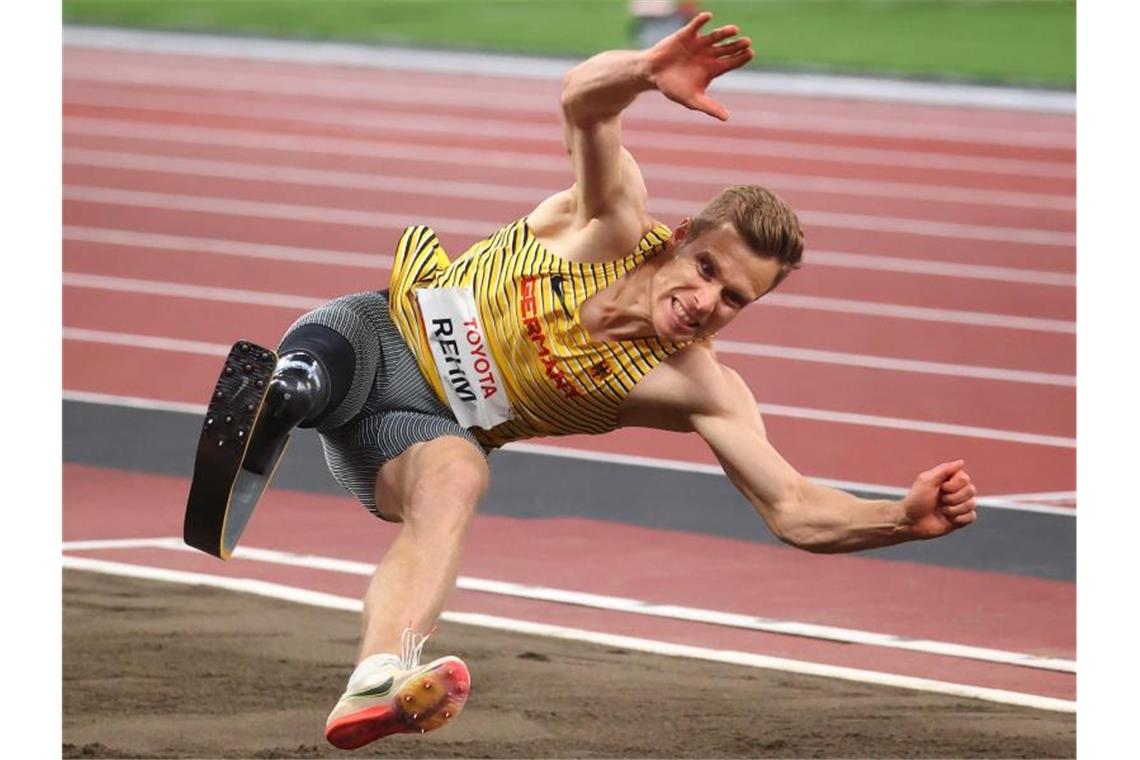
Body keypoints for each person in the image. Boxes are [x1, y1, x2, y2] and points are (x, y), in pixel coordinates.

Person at [185, 11, 978, 751]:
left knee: (460, 478)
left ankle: (373, 684)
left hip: (417, 434)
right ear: (678, 240)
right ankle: (277, 404)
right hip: (379, 339)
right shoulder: (607, 222)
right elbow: (582, 103)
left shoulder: (698, 386)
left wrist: (901, 519)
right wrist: (642, 70)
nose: (706, 302)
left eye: (735, 299)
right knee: (298, 386)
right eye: (705, 270)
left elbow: (795, 509)